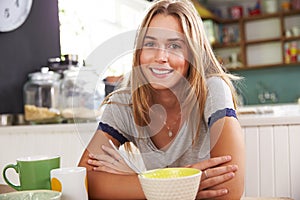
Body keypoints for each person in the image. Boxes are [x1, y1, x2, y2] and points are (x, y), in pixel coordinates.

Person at [78, 0, 245, 199]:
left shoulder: (213, 90)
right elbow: (86, 180)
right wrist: (175, 187)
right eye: (150, 44)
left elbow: (228, 191)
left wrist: (136, 180)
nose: (160, 57)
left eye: (174, 45)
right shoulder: (125, 103)